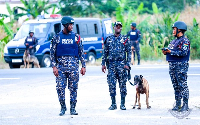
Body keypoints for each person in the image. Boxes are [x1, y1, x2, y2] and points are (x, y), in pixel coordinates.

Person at [50, 16, 86, 116]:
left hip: (73, 68)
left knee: (73, 88)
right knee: (60, 88)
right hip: (60, 68)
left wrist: (83, 66)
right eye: (70, 24)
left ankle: (73, 108)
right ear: (65, 25)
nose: (72, 26)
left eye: (72, 24)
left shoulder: (76, 37)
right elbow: (52, 54)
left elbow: (81, 52)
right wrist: (54, 66)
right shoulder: (56, 38)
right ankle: (62, 107)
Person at [101, 21, 131, 110]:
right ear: (114, 28)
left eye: (120, 27)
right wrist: (103, 64)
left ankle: (122, 104)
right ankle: (113, 103)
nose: (118, 28)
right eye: (117, 26)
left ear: (121, 28)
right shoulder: (109, 39)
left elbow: (129, 52)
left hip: (121, 65)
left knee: (123, 85)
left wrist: (127, 64)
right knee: (111, 84)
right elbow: (105, 52)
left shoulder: (125, 39)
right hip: (111, 65)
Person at [162, 21, 190, 112]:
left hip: (181, 66)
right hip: (172, 66)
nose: (173, 31)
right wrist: (166, 52)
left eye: (174, 29)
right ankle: (178, 104)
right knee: (176, 86)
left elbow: (183, 53)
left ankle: (185, 105)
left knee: (183, 85)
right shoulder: (174, 41)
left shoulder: (184, 41)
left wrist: (171, 52)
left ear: (180, 30)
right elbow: (171, 50)